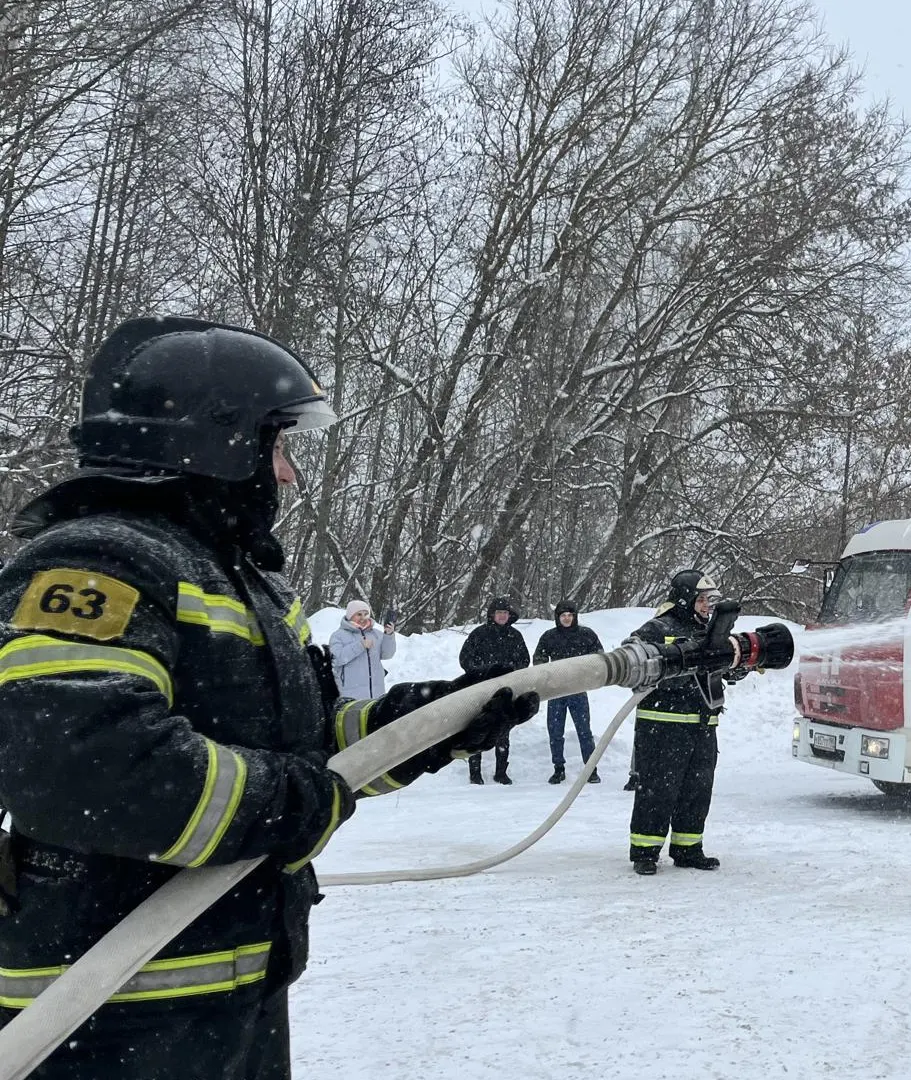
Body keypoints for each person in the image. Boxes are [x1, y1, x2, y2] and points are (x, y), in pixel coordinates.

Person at [0, 317, 535, 1078]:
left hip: (227, 995)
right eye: (277, 446)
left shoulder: (238, 583)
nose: (286, 475)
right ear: (215, 443)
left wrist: (422, 725)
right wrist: (292, 804)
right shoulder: (98, 564)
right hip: (105, 1015)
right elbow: (86, 768)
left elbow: (307, 748)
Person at [627, 570, 740, 875]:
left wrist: (733, 666)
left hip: (703, 726)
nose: (707, 606)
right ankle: (645, 852)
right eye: (702, 599)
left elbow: (719, 670)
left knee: (697, 790)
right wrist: (677, 666)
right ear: (685, 599)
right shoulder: (657, 628)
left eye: (710, 600)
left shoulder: (711, 631)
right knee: (658, 791)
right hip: (663, 726)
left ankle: (688, 848)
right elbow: (631, 662)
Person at [460, 596, 530, 784]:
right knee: (477, 729)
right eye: (499, 613)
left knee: (503, 730)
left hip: (506, 690)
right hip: (480, 688)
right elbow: (465, 658)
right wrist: (480, 672)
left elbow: (524, 660)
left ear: (509, 615)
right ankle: (475, 773)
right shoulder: (479, 634)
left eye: (505, 613)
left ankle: (501, 772)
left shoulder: (515, 636)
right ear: (492, 614)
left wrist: (511, 672)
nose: (502, 616)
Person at [533, 600, 604, 785]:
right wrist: (548, 675)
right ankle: (558, 768)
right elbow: (539, 658)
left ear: (575, 617)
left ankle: (591, 769)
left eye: (570, 615)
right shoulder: (549, 636)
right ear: (558, 617)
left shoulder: (586, 634)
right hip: (556, 692)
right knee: (555, 732)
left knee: (584, 731)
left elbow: (599, 657)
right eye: (563, 615)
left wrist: (588, 673)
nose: (566, 618)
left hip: (578, 690)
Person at [328, 599, 396, 699]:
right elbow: (336, 659)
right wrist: (360, 645)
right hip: (351, 695)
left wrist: (388, 635)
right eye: (359, 614)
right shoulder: (338, 635)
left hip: (377, 693)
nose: (363, 618)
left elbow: (387, 654)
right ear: (350, 616)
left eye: (366, 614)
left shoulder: (376, 634)